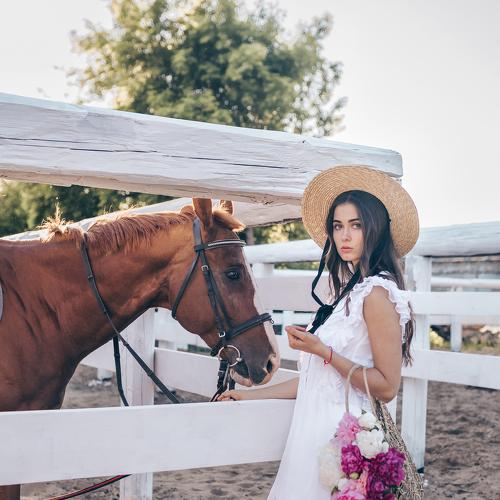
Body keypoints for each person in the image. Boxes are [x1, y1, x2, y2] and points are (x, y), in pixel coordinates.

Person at [216, 165, 420, 500]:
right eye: (338, 226)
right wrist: (250, 396)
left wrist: (323, 351)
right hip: (309, 435)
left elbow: (386, 386)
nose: (345, 236)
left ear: (375, 229)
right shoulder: (344, 294)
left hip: (343, 437)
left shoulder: (377, 294)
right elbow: (315, 380)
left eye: (356, 225)